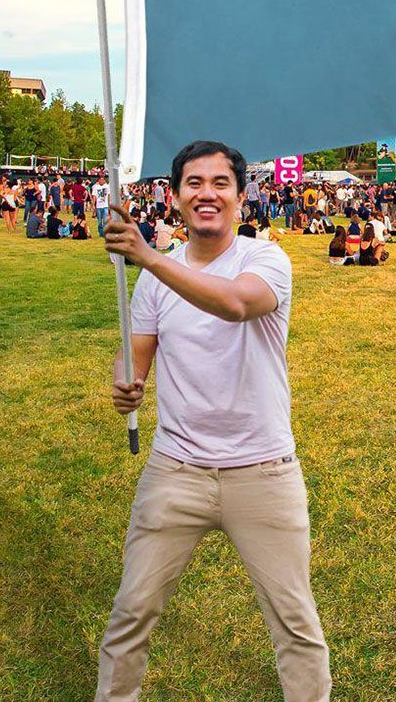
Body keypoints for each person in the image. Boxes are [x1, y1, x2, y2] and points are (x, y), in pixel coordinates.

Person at [97, 140, 331, 701]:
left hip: (263, 471)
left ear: (241, 196)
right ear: (176, 196)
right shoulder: (157, 277)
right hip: (175, 469)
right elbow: (138, 352)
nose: (207, 193)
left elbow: (234, 304)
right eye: (194, 183)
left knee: (295, 625)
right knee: (130, 614)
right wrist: (124, 383)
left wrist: (148, 256)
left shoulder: (265, 259)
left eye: (220, 183)